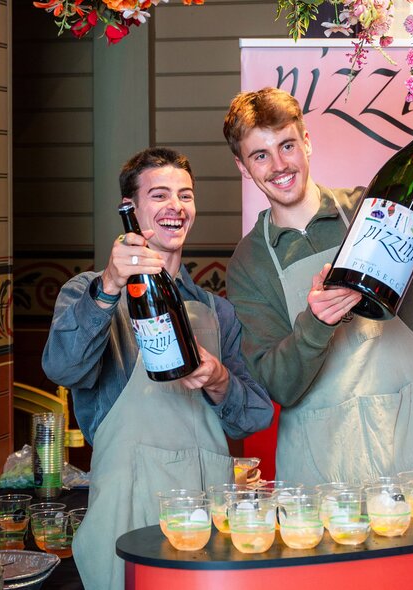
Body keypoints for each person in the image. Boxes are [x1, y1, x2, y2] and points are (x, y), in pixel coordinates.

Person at [223, 86, 413, 486]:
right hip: (321, 467)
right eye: (260, 155)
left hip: (411, 444)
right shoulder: (250, 262)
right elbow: (279, 385)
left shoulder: (380, 210)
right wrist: (315, 324)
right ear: (243, 167)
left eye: (287, 145)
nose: (279, 165)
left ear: (307, 142)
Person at [42, 148, 273, 590]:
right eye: (160, 194)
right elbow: (63, 367)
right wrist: (110, 283)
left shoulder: (215, 310)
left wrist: (220, 380)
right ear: (131, 209)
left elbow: (256, 416)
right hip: (127, 504)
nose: (176, 207)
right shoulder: (86, 292)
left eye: (186, 196)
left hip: (208, 512)